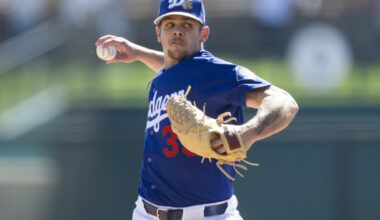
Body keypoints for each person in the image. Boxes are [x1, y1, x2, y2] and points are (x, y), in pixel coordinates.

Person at [95, 0, 298, 219]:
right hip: (146, 212)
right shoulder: (167, 73)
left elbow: (284, 102)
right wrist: (137, 53)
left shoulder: (215, 72)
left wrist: (248, 132)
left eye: (187, 25)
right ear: (158, 33)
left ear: (204, 33)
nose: (177, 32)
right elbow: (175, 69)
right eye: (170, 25)